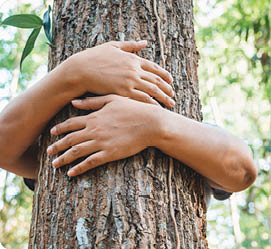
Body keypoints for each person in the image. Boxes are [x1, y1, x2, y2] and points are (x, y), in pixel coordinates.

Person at [0, 40, 257, 201]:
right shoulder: (56, 135)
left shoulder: (196, 139)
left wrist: (152, 124)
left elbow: (242, 170)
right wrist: (74, 73)